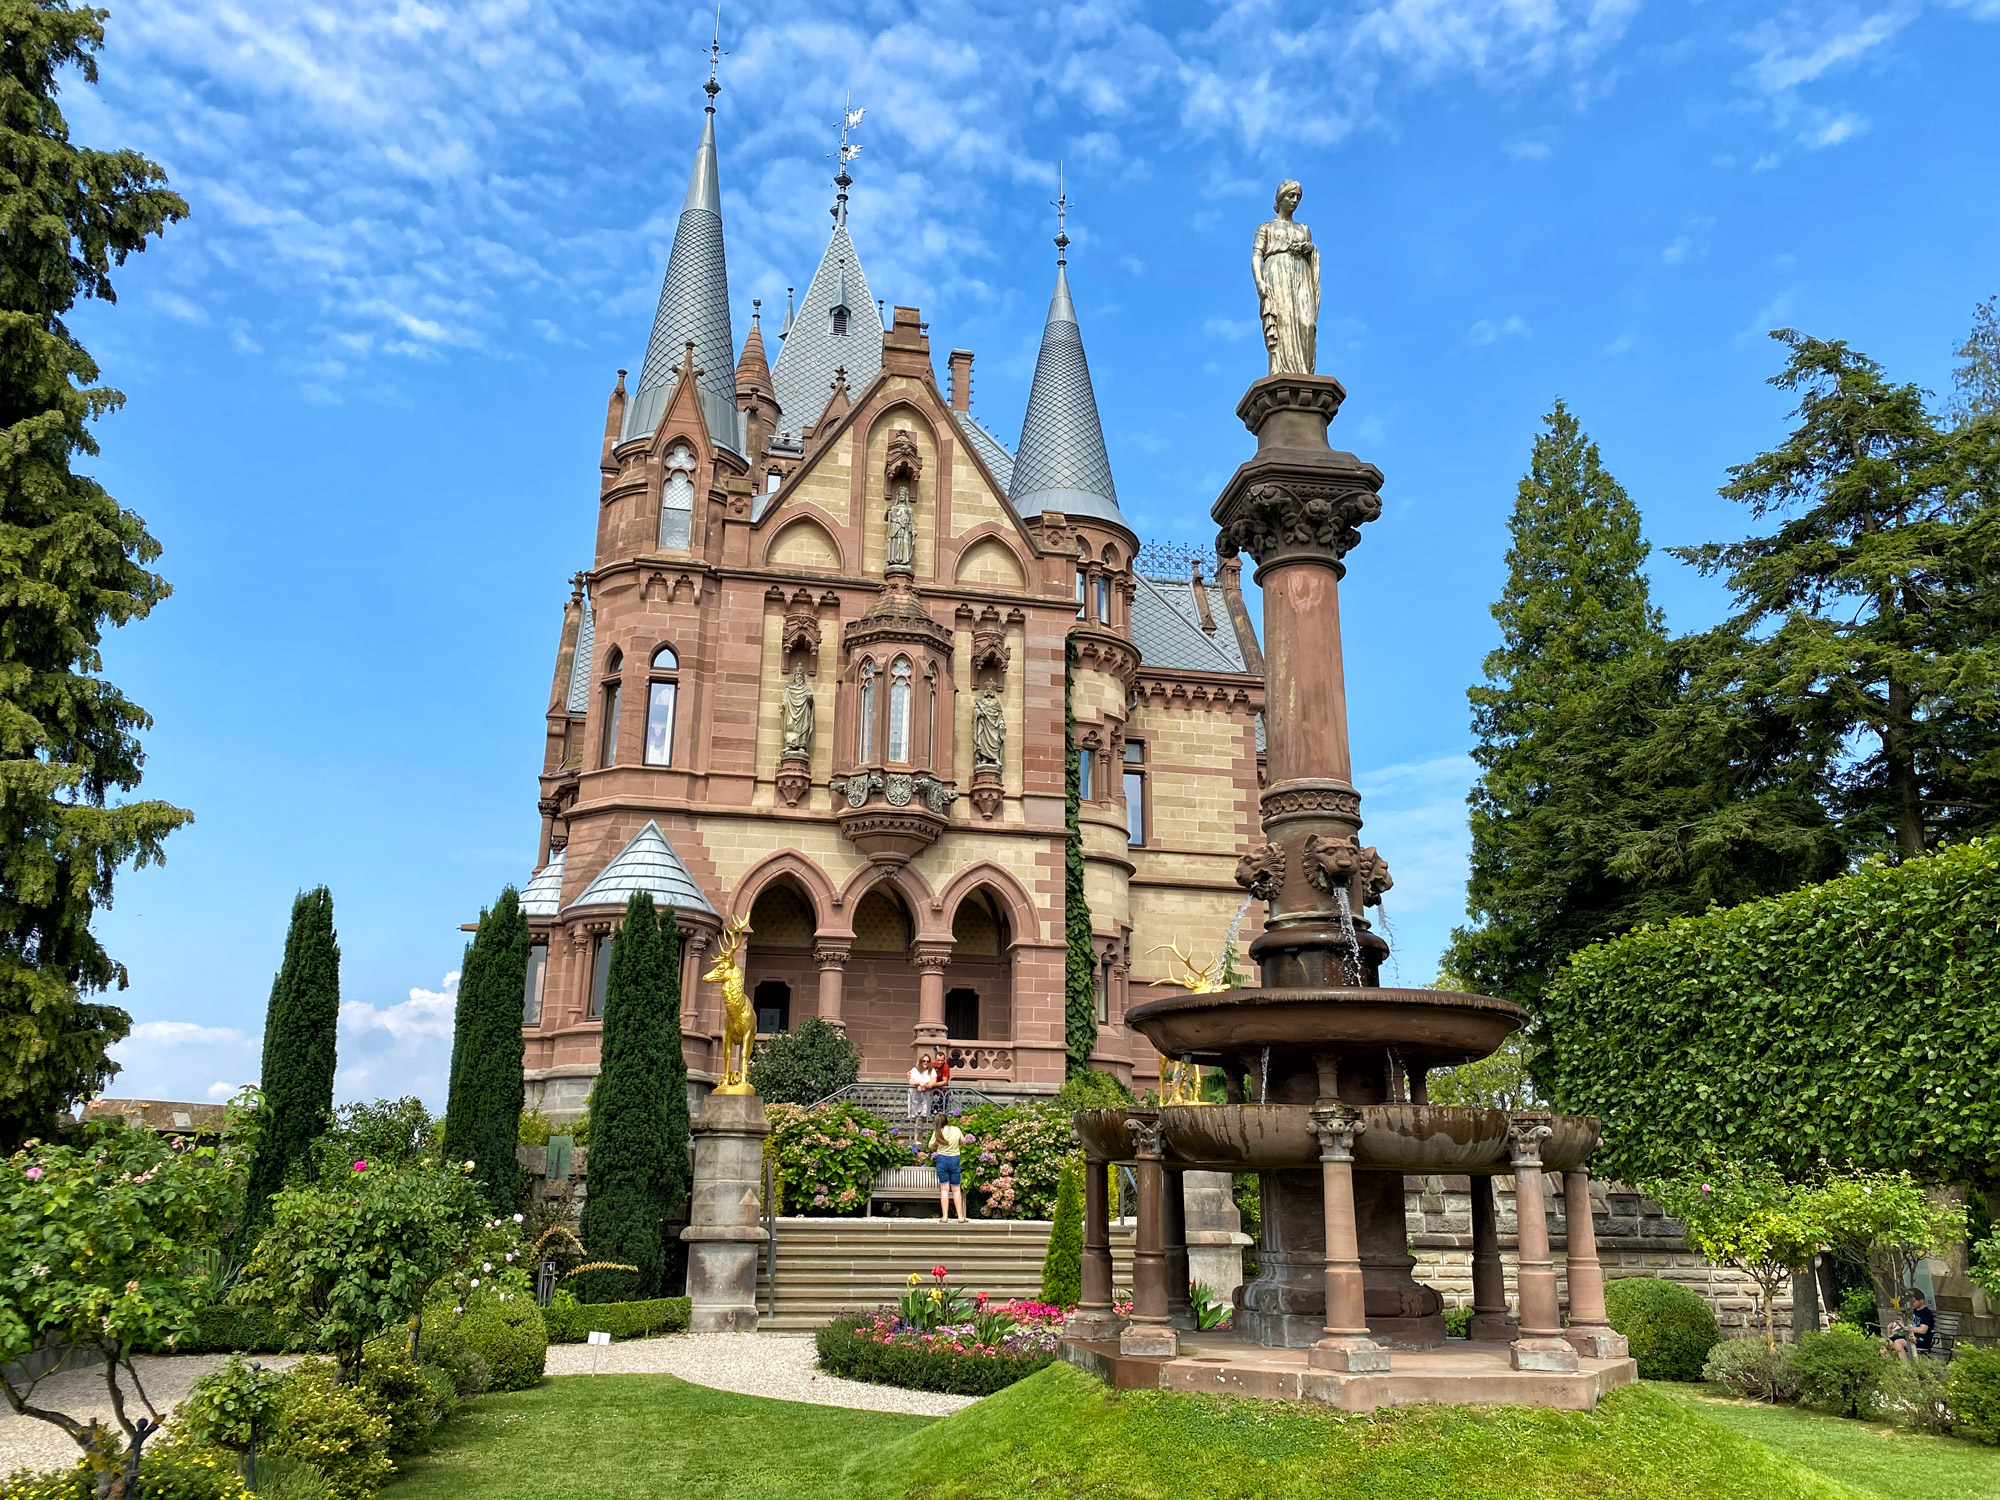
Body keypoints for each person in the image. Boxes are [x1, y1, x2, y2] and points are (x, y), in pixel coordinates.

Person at [931, 1116, 968, 1222]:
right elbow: (963, 1142)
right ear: (947, 1121)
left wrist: (938, 1146)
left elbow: (930, 1145)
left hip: (942, 1160)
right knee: (956, 1189)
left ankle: (945, 1216)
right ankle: (960, 1217)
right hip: (954, 1160)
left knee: (944, 1189)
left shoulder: (938, 1132)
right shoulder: (956, 1129)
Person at [1890, 1290, 1936, 1360]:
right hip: (1909, 1336)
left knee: (1898, 1342)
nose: (1912, 1304)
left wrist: (1905, 1327)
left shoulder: (1926, 1313)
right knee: (1884, 1342)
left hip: (1921, 1339)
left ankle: (1906, 1367)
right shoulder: (1913, 1311)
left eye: (1914, 1301)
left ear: (1921, 1300)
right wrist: (1896, 1323)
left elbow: (1922, 1330)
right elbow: (1908, 1322)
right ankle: (1890, 1364)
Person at [906, 1054, 936, 1126]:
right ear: (920, 1061)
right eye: (924, 1061)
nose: (925, 1063)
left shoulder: (932, 1070)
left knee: (924, 1114)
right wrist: (919, 1083)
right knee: (914, 1115)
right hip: (915, 1094)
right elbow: (911, 1081)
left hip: (926, 1094)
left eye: (927, 1061)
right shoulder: (914, 1070)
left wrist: (924, 1086)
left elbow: (933, 1081)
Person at [933, 1051, 953, 1119]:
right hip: (932, 1087)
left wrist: (933, 1084)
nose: (940, 1062)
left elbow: (945, 1082)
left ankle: (941, 1115)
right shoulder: (931, 1065)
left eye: (942, 1060)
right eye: (938, 1060)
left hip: (942, 1087)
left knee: (943, 1104)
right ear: (935, 1060)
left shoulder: (945, 1067)